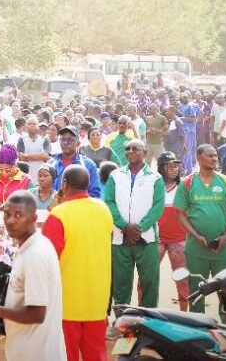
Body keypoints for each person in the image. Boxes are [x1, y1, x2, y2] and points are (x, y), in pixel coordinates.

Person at [0, 191, 65, 361]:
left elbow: (37, 313)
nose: (11, 221)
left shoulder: (35, 254)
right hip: (26, 350)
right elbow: (23, 292)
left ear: (33, 218)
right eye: (7, 214)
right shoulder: (30, 246)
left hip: (37, 354)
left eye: (19, 215)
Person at [42, 165, 113, 361]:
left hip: (66, 302)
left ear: (64, 184)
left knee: (66, 354)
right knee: (96, 354)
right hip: (97, 300)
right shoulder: (103, 209)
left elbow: (47, 260)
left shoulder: (58, 215)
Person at [174, 144, 226, 313]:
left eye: (215, 155)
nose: (215, 158)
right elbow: (180, 214)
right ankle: (200, 329)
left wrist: (225, 237)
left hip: (223, 249)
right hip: (196, 249)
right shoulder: (187, 183)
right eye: (210, 155)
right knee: (197, 292)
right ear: (199, 158)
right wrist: (196, 236)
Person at [103, 139, 165, 309]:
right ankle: (122, 321)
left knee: (149, 283)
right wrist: (125, 227)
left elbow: (158, 207)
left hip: (147, 239)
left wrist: (138, 229)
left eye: (135, 148)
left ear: (145, 153)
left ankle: (148, 323)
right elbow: (109, 202)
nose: (130, 151)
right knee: (121, 283)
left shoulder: (155, 178)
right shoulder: (115, 176)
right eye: (127, 148)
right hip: (120, 239)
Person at [147, 152, 189, 311]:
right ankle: (147, 313)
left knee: (182, 278)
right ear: (161, 168)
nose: (174, 170)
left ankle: (184, 315)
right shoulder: (153, 186)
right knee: (148, 277)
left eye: (176, 166)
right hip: (157, 239)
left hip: (179, 239)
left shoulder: (184, 186)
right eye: (170, 166)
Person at [0, 145, 35, 210]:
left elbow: (33, 204)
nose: (4, 172)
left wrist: (15, 207)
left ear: (15, 165)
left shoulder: (27, 181)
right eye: (1, 169)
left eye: (8, 170)